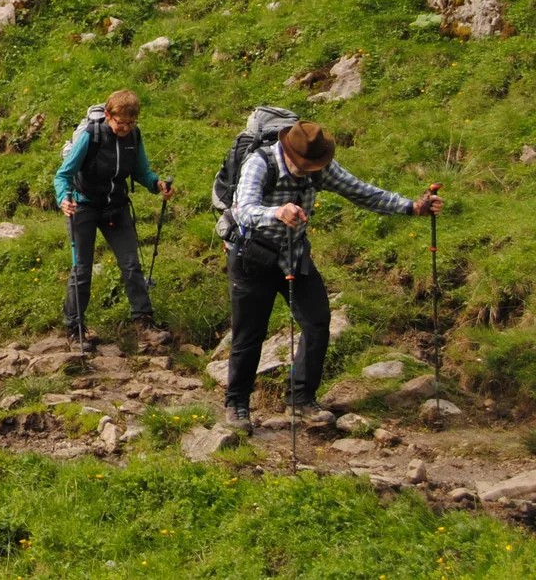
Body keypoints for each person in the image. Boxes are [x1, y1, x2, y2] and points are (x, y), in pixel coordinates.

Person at [221, 120, 439, 433]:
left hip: (293, 255)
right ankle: (237, 403)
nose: (309, 170)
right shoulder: (261, 163)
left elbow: (362, 192)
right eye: (303, 164)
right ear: (287, 151)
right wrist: (277, 211)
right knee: (249, 333)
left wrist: (413, 207)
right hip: (251, 256)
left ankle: (301, 397)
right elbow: (244, 209)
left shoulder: (321, 168)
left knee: (317, 320)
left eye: (314, 165)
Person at [53, 89, 176, 347]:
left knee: (132, 264)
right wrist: (64, 198)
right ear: (108, 116)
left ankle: (144, 324)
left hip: (116, 206)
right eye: (121, 123)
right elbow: (63, 175)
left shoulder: (134, 136)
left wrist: (157, 185)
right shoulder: (91, 136)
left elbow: (142, 171)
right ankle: (75, 328)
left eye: (131, 123)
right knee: (82, 269)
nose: (125, 128)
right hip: (83, 206)